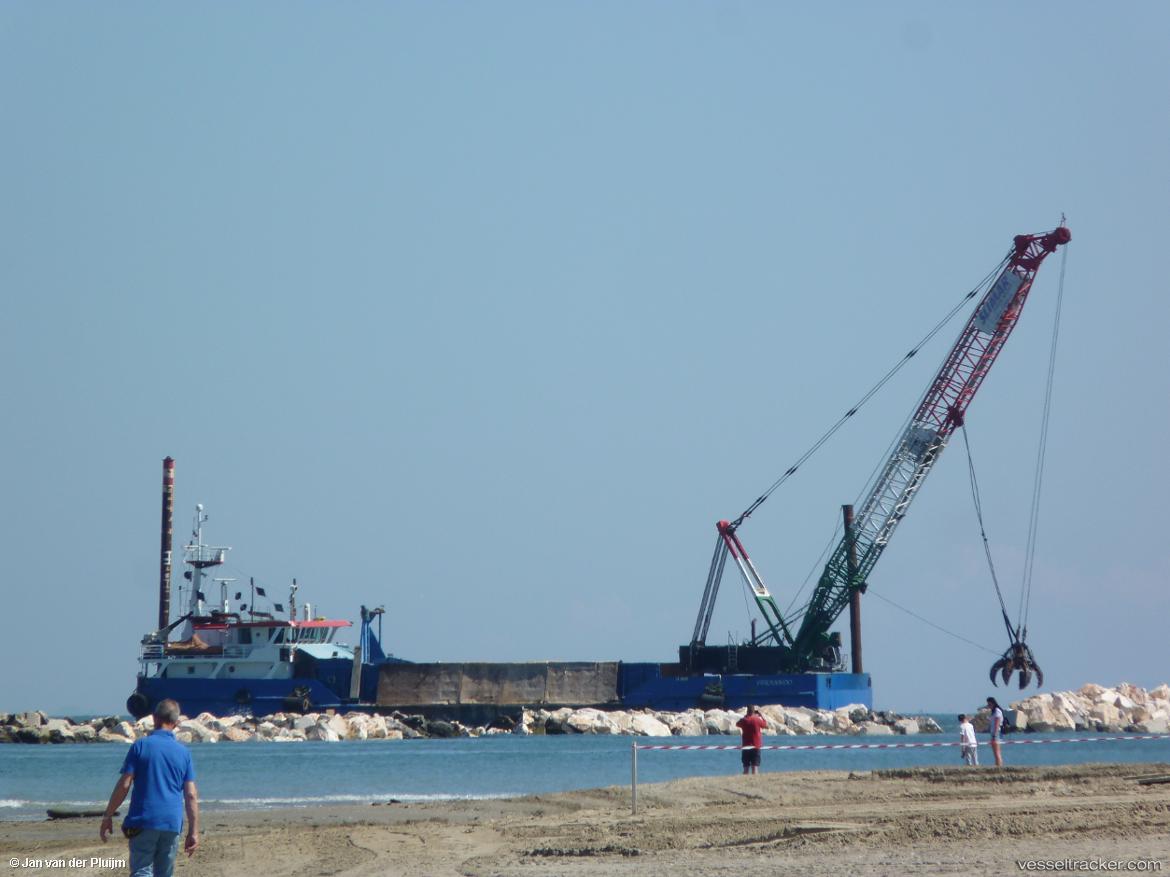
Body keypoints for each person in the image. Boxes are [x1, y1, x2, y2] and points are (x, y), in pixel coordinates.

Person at [100, 699, 199, 876]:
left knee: (141, 870)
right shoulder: (184, 753)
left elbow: (125, 784)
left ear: (154, 718)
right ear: (176, 723)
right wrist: (193, 830)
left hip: (144, 820)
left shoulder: (140, 746)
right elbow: (190, 795)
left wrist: (108, 815)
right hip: (171, 823)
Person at [735, 705, 768, 775]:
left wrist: (745, 716)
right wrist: (761, 716)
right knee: (755, 767)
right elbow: (765, 725)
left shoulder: (744, 720)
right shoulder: (757, 720)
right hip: (756, 746)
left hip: (746, 746)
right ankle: (754, 783)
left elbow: (737, 724)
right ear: (753, 711)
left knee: (746, 767)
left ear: (747, 711)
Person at [986, 696, 1005, 767]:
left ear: (993, 703)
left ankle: (999, 766)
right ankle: (997, 765)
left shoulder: (997, 711)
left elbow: (997, 723)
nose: (989, 706)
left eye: (989, 704)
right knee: (995, 752)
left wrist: (994, 734)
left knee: (997, 752)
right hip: (994, 733)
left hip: (997, 733)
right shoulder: (993, 711)